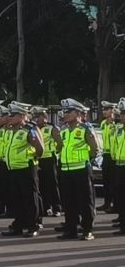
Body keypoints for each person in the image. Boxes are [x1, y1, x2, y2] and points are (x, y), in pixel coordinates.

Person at [0, 102, 44, 238]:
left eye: (13, 115)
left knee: (30, 199)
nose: (9, 117)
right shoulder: (11, 130)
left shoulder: (29, 130)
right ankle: (18, 224)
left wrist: (30, 157)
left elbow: (40, 149)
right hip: (13, 168)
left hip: (26, 168)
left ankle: (33, 226)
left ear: (22, 116)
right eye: (9, 115)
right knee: (16, 199)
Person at [56, 98, 98, 241]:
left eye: (69, 111)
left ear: (78, 113)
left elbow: (94, 149)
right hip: (66, 170)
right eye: (65, 112)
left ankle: (87, 230)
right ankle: (71, 229)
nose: (66, 114)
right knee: (68, 202)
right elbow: (60, 147)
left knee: (85, 202)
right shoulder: (64, 130)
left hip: (81, 170)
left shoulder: (85, 129)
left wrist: (87, 161)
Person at [33, 106, 62, 217]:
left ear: (44, 117)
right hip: (38, 159)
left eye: (38, 116)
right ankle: (45, 207)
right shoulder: (33, 129)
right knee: (41, 185)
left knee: (52, 184)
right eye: (35, 117)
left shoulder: (51, 128)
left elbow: (59, 144)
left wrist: (55, 152)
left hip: (49, 159)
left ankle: (56, 207)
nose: (36, 119)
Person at [99, 101, 118, 213]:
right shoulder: (103, 123)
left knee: (113, 182)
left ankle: (115, 204)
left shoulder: (115, 124)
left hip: (113, 155)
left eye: (106, 109)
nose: (104, 111)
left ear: (113, 110)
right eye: (103, 109)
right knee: (105, 180)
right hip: (105, 154)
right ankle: (106, 203)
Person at [111, 99, 125, 235]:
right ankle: (122, 223)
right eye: (122, 113)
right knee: (120, 196)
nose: (122, 116)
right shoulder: (119, 129)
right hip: (119, 165)